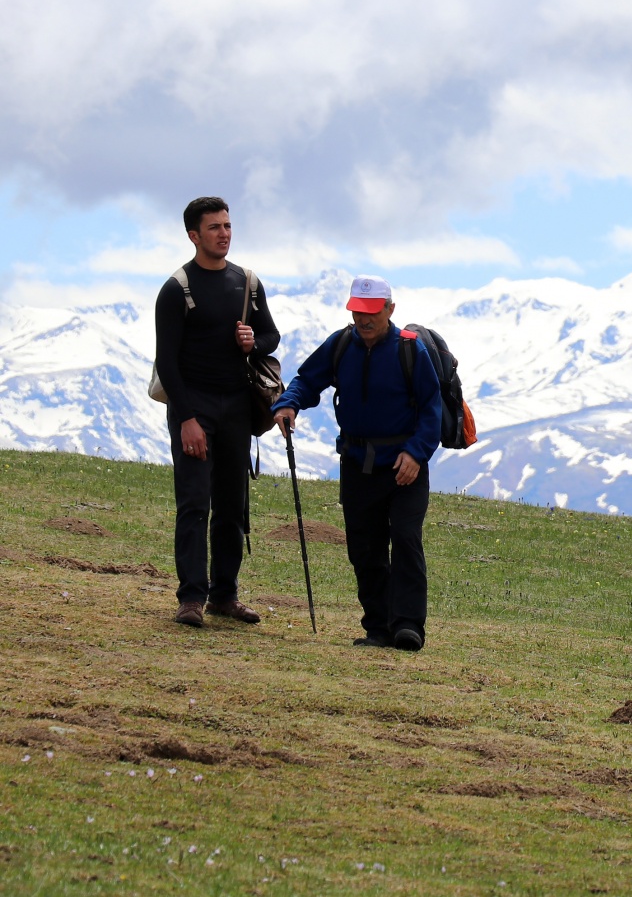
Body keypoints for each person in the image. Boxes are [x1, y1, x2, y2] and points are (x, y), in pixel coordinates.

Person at [272, 275, 442, 651]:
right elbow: (307, 379)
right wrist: (287, 403)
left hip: (404, 467)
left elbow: (433, 409)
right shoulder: (341, 344)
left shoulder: (411, 351)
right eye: (357, 312)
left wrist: (415, 454)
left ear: (390, 310)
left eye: (371, 313)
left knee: (405, 538)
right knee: (364, 548)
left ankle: (408, 626)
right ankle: (378, 628)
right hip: (357, 464)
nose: (363, 320)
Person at [154, 196, 280, 627]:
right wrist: (186, 419)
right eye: (214, 228)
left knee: (233, 504)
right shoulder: (176, 289)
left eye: (227, 226)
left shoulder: (246, 282)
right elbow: (167, 363)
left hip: (236, 405)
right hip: (194, 406)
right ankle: (191, 597)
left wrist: (253, 343)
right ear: (194, 235)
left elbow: (270, 336)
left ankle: (224, 595)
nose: (223, 234)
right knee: (194, 502)